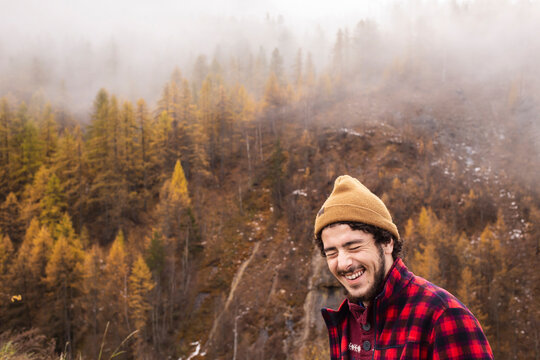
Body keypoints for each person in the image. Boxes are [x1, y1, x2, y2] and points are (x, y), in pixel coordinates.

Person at [314, 175, 493, 359]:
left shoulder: (443, 316)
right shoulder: (346, 322)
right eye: (332, 253)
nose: (344, 263)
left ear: (387, 243)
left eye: (354, 247)